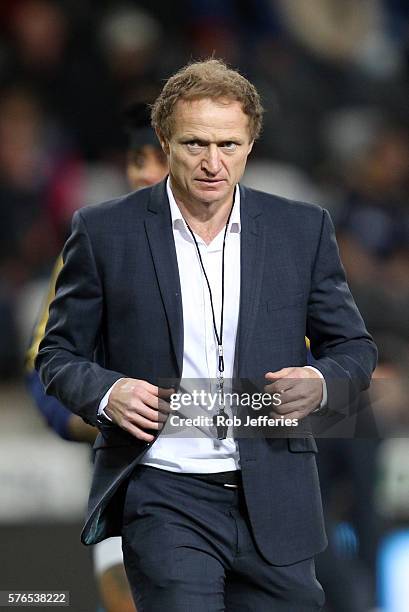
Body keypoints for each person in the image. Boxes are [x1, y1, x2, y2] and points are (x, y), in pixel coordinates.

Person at [36, 59, 377, 612]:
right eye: (196, 143)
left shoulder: (303, 229)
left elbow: (355, 349)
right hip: (164, 495)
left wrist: (320, 381)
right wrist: (106, 392)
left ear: (251, 144)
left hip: (278, 495)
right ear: (165, 140)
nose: (213, 163)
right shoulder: (103, 232)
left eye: (229, 144)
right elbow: (57, 353)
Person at [26, 101, 168, 612]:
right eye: (137, 160)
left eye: (162, 157)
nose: (148, 173)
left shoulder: (250, 243)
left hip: (234, 480)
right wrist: (95, 413)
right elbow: (46, 365)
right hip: (127, 472)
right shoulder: (93, 242)